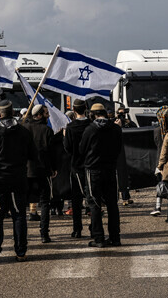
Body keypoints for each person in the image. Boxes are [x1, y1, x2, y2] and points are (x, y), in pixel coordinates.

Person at [0, 101, 37, 263]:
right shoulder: (23, 132)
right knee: (19, 216)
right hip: (18, 180)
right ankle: (21, 251)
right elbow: (33, 155)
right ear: (12, 112)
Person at [79, 103, 122, 247]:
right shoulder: (115, 128)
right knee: (112, 204)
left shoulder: (90, 129)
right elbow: (119, 148)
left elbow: (82, 149)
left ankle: (98, 238)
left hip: (94, 170)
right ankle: (115, 237)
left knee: (94, 204)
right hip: (110, 169)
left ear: (92, 114)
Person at [24, 104, 56, 243]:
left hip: (28, 171)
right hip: (41, 171)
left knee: (24, 204)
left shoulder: (25, 129)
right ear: (38, 115)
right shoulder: (46, 130)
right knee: (44, 204)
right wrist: (53, 168)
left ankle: (22, 233)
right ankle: (44, 234)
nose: (48, 115)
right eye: (46, 113)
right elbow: (52, 153)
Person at [63, 99, 91, 238]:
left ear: (73, 110)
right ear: (85, 108)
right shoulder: (91, 125)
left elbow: (67, 148)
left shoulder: (70, 127)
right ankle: (94, 227)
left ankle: (77, 229)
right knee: (92, 197)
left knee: (76, 200)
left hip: (76, 165)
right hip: (90, 164)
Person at [114, 108, 133, 206]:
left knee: (125, 176)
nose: (121, 116)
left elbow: (135, 130)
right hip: (118, 153)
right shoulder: (114, 123)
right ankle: (120, 197)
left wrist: (129, 123)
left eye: (123, 114)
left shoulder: (128, 123)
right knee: (120, 176)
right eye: (120, 114)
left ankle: (126, 197)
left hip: (128, 152)